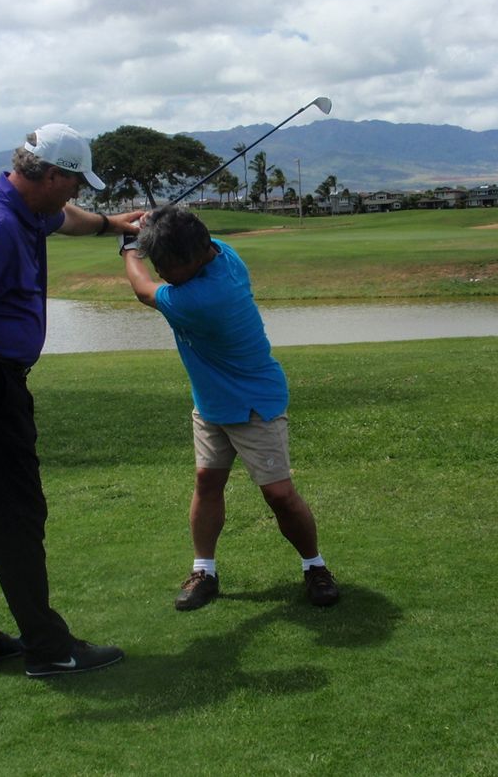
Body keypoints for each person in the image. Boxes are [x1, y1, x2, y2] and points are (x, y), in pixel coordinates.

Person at [0, 123, 143, 677]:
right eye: (74, 181)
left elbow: (64, 218)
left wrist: (110, 225)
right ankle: (49, 649)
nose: (77, 192)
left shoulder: (23, 206)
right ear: (51, 174)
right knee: (17, 514)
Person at [120, 205, 339, 610]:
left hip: (254, 402)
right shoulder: (220, 250)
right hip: (211, 403)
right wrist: (160, 225)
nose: (163, 272)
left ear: (191, 257)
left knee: (279, 495)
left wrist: (129, 246)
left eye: (166, 263)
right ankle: (204, 570)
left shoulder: (203, 298)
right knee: (207, 483)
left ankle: (315, 566)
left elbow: (142, 289)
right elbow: (182, 238)